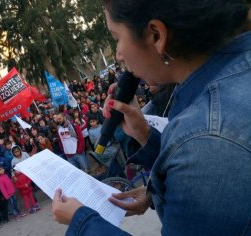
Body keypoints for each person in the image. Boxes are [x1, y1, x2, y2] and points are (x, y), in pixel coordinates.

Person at [52, 1, 251, 235]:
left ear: (156, 35)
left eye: (117, 37)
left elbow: (205, 155)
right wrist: (144, 135)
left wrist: (82, 221)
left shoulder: (205, 141)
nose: (118, 54)